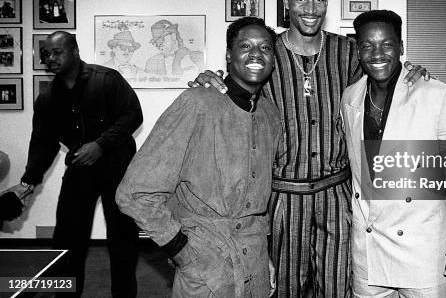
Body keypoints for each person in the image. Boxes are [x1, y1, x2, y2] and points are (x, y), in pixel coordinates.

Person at [190, 0, 427, 298]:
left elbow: (385, 71)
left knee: (339, 286)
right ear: (287, 3)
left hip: (337, 196)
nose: (310, 9)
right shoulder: (266, 51)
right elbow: (237, 79)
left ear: (327, 3)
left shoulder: (348, 51)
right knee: (285, 288)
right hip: (282, 198)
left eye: (318, 0)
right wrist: (210, 78)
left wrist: (411, 70)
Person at [116, 17, 281, 298]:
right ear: (229, 55)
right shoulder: (196, 103)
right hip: (205, 266)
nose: (256, 54)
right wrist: (182, 250)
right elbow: (134, 194)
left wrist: (262, 254)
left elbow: (258, 204)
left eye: (265, 48)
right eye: (245, 46)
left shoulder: (269, 113)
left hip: (255, 264)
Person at [341, 10, 446, 297]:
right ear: (358, 51)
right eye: (368, 45)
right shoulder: (350, 97)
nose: (377, 53)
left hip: (422, 253)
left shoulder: (438, 95)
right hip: (368, 252)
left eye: (387, 44)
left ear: (401, 47)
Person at [8, 31, 143, 297]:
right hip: (80, 171)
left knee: (123, 242)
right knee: (67, 242)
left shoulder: (107, 79)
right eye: (46, 54)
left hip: (119, 169)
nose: (50, 58)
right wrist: (28, 182)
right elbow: (43, 144)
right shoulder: (47, 99)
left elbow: (132, 115)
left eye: (57, 52)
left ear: (75, 51)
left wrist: (100, 144)